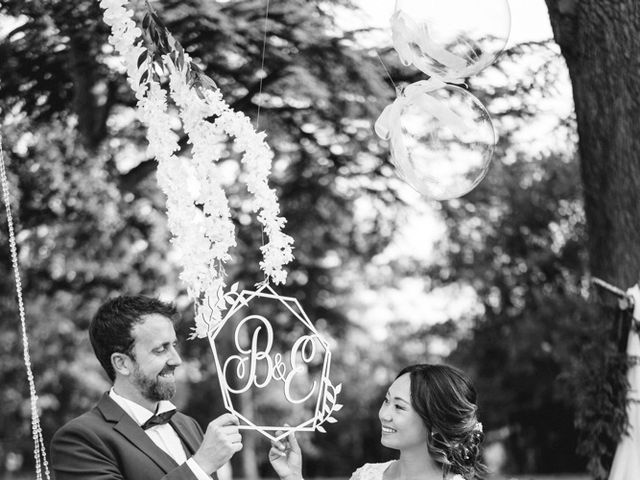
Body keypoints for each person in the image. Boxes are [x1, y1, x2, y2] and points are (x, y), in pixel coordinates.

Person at [51, 295, 242, 480]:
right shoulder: (80, 440)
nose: (177, 360)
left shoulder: (189, 425)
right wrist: (201, 465)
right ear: (122, 363)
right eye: (161, 349)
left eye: (174, 345)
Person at [269, 364, 485, 480]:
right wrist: (293, 476)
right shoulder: (367, 475)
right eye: (386, 400)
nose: (384, 414)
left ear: (437, 423)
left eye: (399, 407)